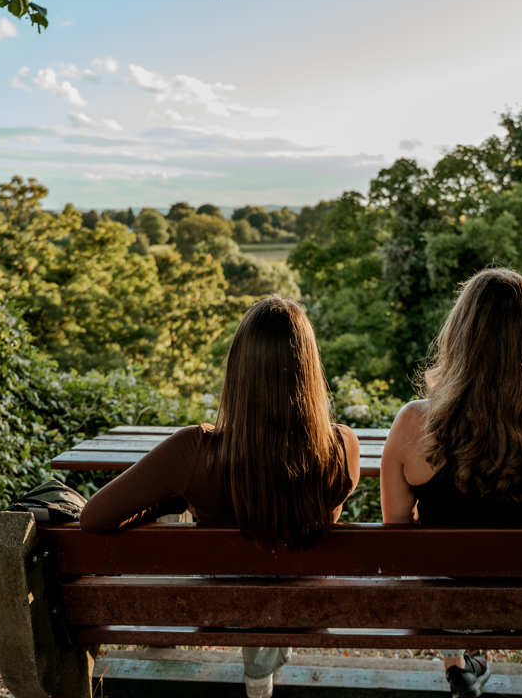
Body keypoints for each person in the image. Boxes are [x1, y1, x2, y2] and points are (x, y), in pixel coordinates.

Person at [81, 295, 361, 698]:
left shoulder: (194, 451)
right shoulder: (342, 446)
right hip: (302, 612)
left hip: (222, 612)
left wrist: (180, 497)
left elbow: (93, 518)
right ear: (308, 370)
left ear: (238, 369)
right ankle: (261, 674)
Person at [380, 267, 522, 698]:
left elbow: (397, 538)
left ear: (459, 336)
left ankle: (456, 660)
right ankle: (470, 663)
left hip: (440, 610)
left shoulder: (413, 423)